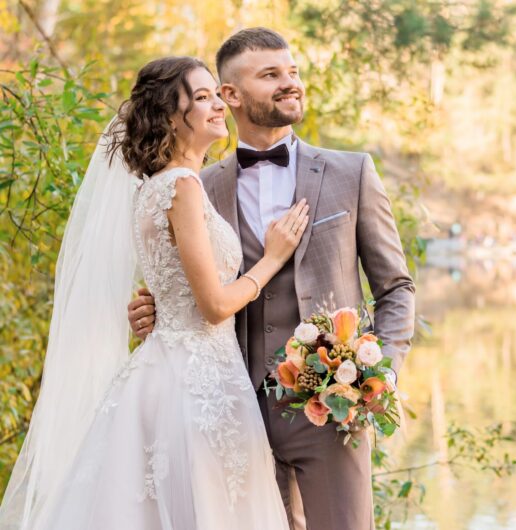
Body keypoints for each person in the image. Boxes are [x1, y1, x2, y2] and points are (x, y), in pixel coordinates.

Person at [0, 56, 308, 529]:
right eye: (201, 98)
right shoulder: (183, 186)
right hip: (199, 383)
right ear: (169, 115)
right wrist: (273, 256)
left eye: (215, 95)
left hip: (166, 371)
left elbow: (173, 287)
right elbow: (213, 306)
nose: (217, 107)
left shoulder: (153, 188)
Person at [129, 28, 416, 530]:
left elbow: (395, 288)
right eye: (271, 75)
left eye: (293, 72)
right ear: (231, 96)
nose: (290, 84)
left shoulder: (352, 173)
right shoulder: (198, 182)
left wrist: (379, 374)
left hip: (329, 410)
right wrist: (153, 308)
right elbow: (190, 280)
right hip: (228, 409)